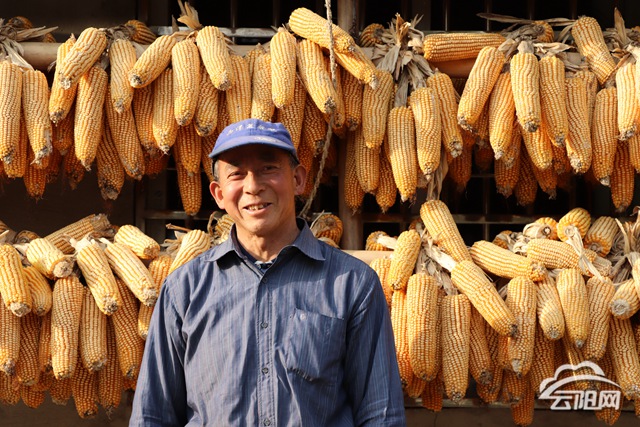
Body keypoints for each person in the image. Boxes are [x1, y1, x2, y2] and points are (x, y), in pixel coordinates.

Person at [129, 118, 406, 426]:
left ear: (298, 179)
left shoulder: (352, 284)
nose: (253, 186)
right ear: (219, 194)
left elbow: (380, 414)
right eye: (237, 174)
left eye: (268, 169)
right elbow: (152, 415)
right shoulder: (184, 289)